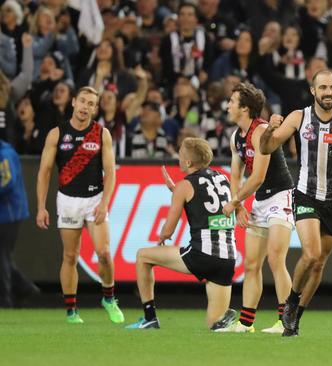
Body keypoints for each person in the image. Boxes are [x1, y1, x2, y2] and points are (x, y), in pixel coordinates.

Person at [259, 69, 332, 336]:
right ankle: (290, 302)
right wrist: (270, 130)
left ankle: (296, 317)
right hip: (305, 195)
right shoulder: (299, 117)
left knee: (319, 263)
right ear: (313, 91)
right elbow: (266, 148)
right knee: (310, 254)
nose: (328, 93)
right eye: (323, 88)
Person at [126, 138, 238, 330]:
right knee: (215, 326)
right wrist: (176, 191)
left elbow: (169, 229)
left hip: (202, 255)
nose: (178, 157)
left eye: (180, 154)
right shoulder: (223, 178)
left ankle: (150, 318)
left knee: (143, 256)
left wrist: (162, 236)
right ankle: (223, 322)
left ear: (188, 162)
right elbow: (204, 201)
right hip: (227, 259)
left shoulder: (185, 185)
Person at [35, 86, 124, 324]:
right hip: (67, 201)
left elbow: (110, 172)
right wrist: (41, 207)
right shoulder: (57, 134)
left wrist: (105, 203)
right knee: (70, 256)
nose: (85, 107)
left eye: (90, 104)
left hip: (94, 199)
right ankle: (72, 311)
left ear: (95, 108)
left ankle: (108, 297)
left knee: (104, 253)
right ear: (74, 102)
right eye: (82, 101)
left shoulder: (101, 133)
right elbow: (44, 172)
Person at [214, 82, 294, 334]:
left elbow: (258, 176)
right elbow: (235, 175)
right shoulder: (235, 137)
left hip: (281, 197)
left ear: (245, 108)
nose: (228, 106)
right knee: (251, 264)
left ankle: (286, 322)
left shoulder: (260, 131)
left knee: (276, 258)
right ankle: (246, 323)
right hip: (259, 200)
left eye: (232, 101)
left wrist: (235, 202)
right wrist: (239, 206)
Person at [0, 139, 39, 308]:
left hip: (9, 213)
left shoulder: (5, 154)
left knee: (2, 256)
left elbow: (7, 182)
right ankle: (24, 287)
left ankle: (5, 300)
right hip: (8, 212)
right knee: (3, 255)